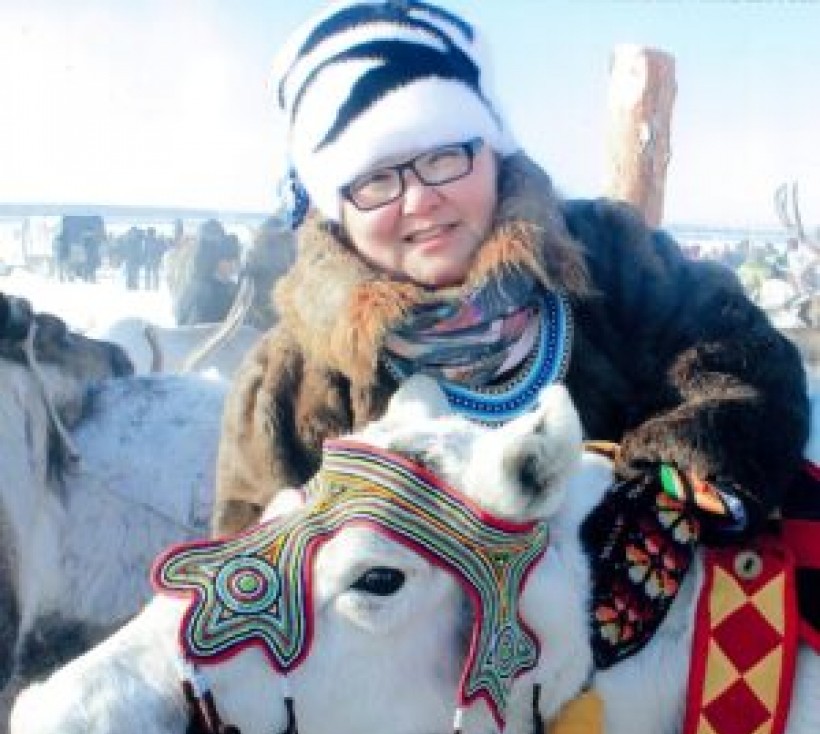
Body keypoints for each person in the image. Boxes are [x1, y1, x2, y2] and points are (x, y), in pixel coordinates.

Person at [213, 0, 809, 564]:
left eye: (444, 156)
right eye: (375, 179)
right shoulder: (292, 383)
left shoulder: (610, 257)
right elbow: (253, 591)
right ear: (335, 208)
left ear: (492, 152)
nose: (420, 199)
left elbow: (748, 369)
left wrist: (652, 508)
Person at [175, 223, 240, 325]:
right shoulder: (203, 288)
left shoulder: (231, 287)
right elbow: (188, 323)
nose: (233, 265)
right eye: (228, 260)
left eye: (235, 260)